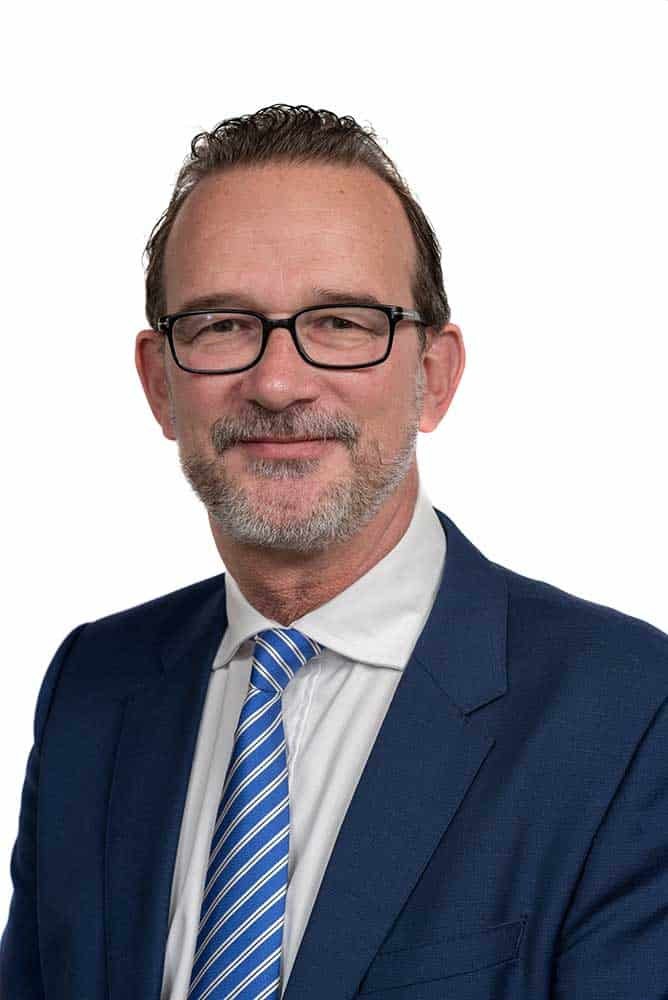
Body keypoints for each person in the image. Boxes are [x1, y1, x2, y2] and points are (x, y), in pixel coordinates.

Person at [1, 103, 667, 1000]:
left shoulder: (630, 713)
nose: (277, 382)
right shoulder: (91, 687)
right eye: (222, 324)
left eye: (343, 322)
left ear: (435, 375)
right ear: (161, 385)